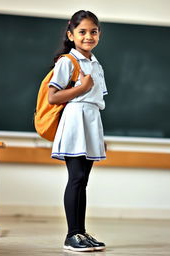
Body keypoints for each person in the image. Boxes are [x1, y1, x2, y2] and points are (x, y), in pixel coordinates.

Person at [48, 10, 108, 252]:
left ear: (99, 34)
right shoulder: (67, 61)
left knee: (83, 180)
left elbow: (96, 98)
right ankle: (71, 234)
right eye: (82, 32)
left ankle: (80, 233)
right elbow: (53, 97)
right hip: (75, 121)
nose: (88, 36)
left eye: (93, 32)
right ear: (71, 35)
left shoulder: (95, 63)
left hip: (91, 120)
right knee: (75, 179)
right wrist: (81, 87)